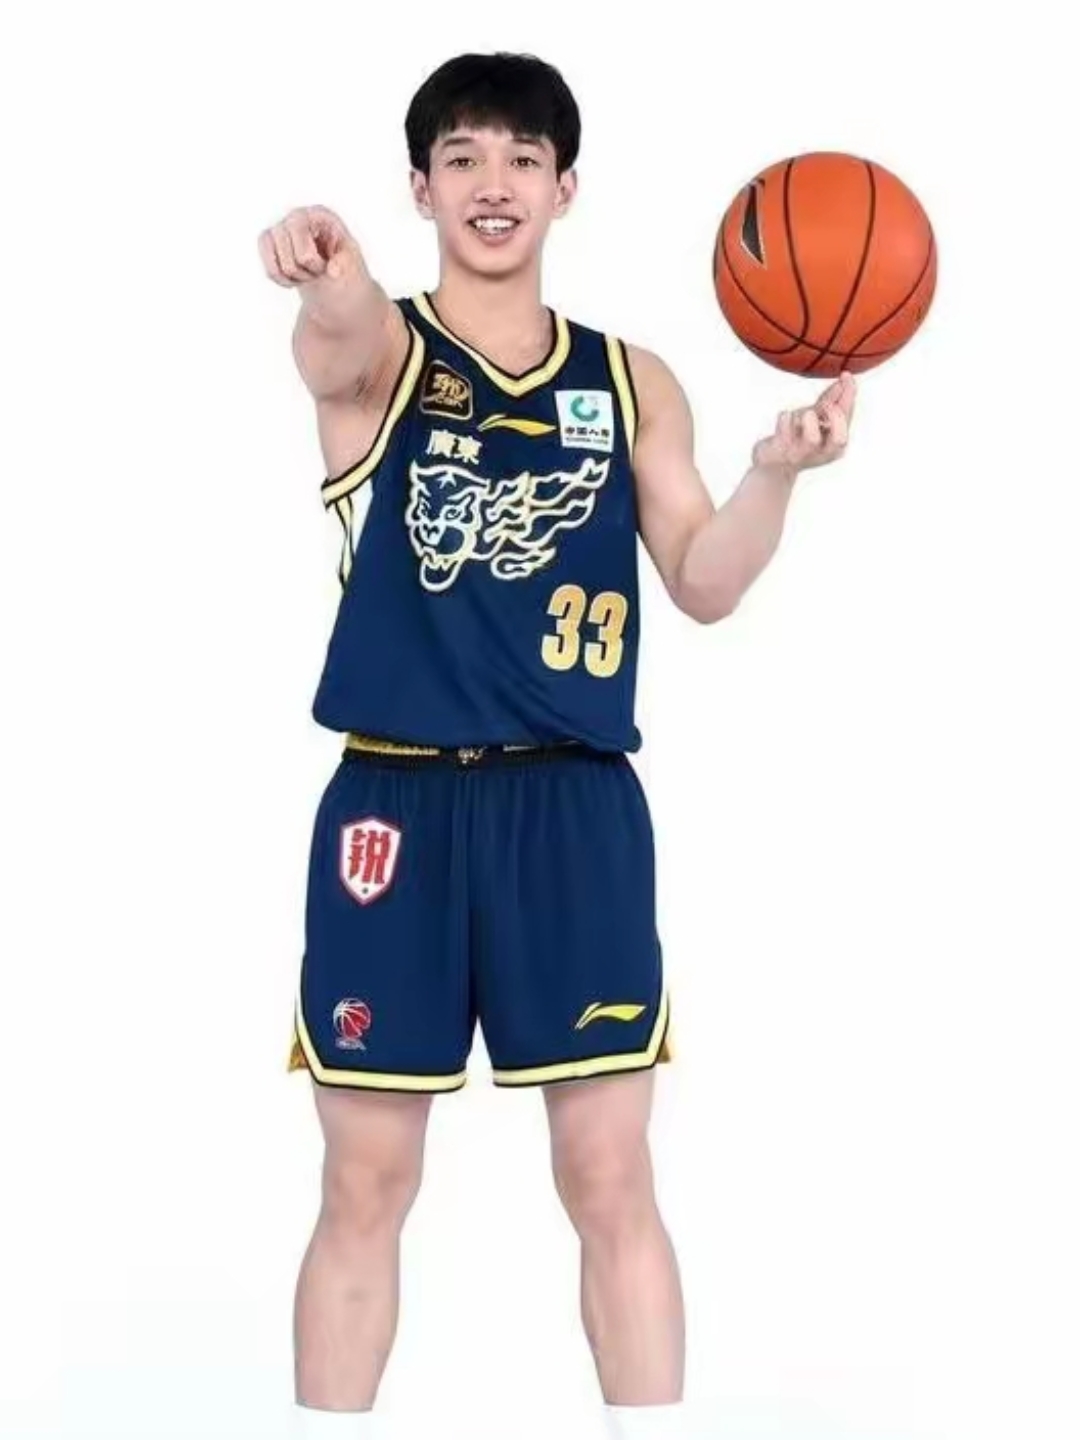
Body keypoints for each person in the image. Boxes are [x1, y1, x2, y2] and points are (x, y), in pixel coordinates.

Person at [258, 50, 855, 1440]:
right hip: (395, 812)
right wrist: (325, 264)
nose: (494, 183)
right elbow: (336, 334)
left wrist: (775, 472)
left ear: (564, 189)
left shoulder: (630, 381)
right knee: (364, 1184)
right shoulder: (383, 357)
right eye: (463, 157)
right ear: (421, 188)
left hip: (574, 812)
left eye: (523, 159)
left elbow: (702, 579)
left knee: (610, 1175)